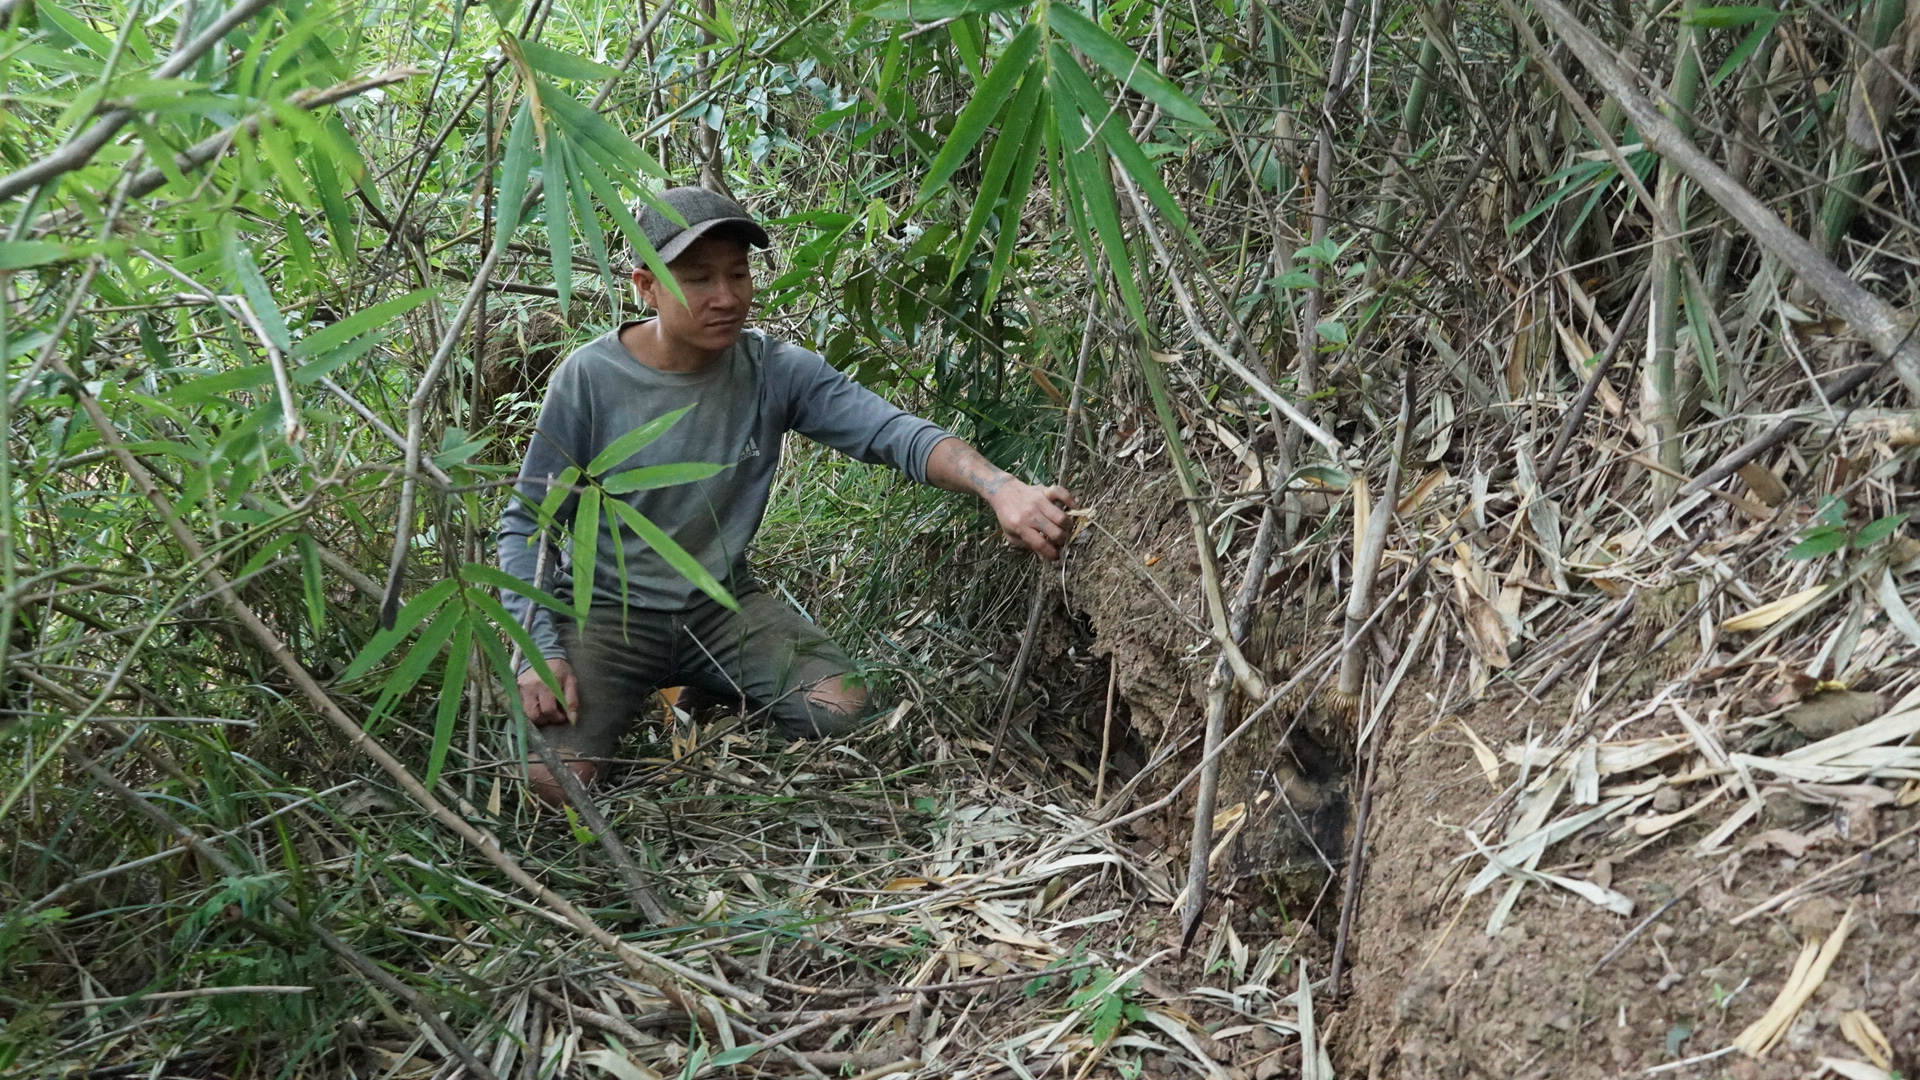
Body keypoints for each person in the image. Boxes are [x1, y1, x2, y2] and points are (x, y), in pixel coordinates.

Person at [497, 186, 1075, 805]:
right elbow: (527, 523)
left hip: (720, 607)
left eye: (738, 274)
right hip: (604, 613)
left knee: (846, 710)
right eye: (698, 279)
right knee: (550, 784)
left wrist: (1000, 487)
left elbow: (894, 433)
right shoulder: (591, 379)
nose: (726, 297)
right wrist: (538, 650)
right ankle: (646, 688)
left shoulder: (774, 369)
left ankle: (708, 683)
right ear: (646, 285)